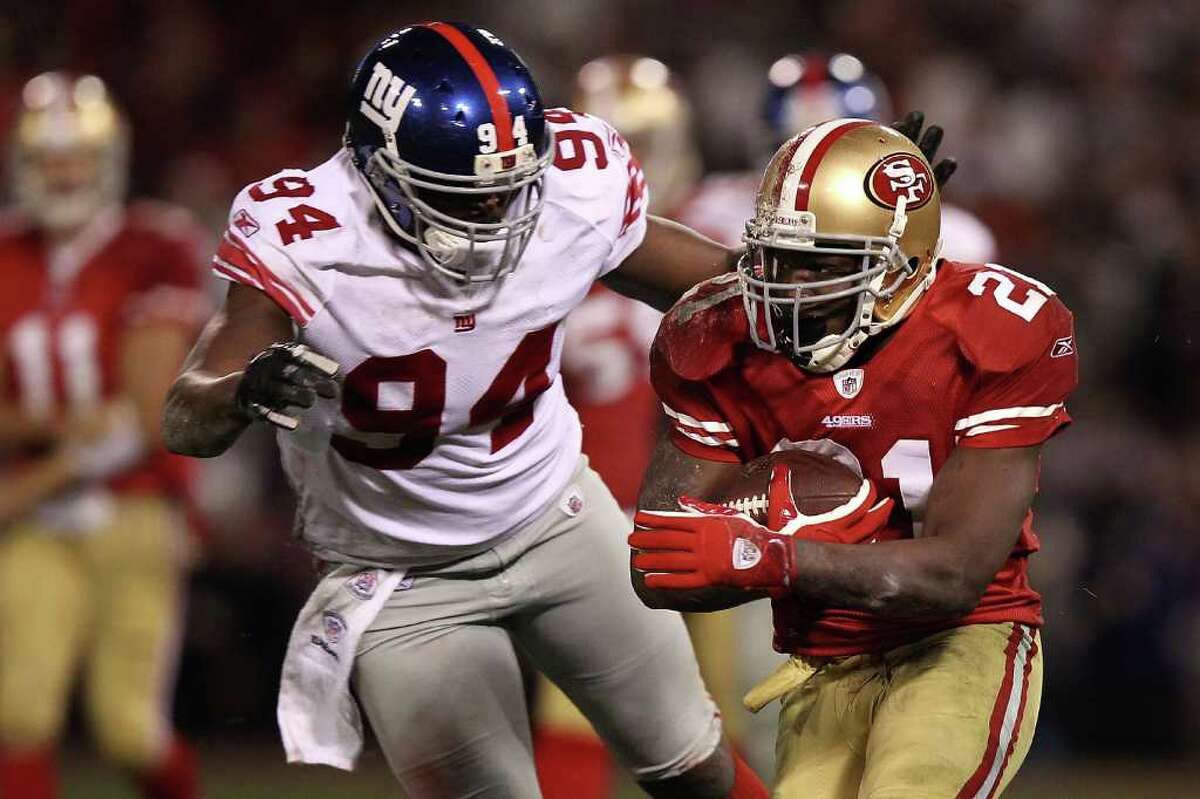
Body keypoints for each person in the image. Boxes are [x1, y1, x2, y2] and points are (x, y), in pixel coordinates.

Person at [163, 23, 767, 799]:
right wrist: (243, 391)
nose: (495, 212)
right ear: (377, 171)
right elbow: (186, 414)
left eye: (509, 186)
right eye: (463, 193)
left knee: (697, 767)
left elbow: (710, 287)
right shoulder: (307, 235)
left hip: (556, 516)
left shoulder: (569, 186)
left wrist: (817, 270)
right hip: (398, 576)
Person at [630, 119, 1077, 797]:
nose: (791, 285)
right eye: (778, 257)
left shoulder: (993, 329)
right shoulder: (721, 337)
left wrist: (777, 554)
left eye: (824, 262)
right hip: (822, 655)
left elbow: (956, 573)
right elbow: (659, 561)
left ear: (903, 263)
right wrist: (738, 550)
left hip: (961, 639)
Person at [0, 72, 205, 799]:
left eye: (76, 156)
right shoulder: (6, 251)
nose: (62, 173)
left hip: (135, 504)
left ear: (107, 159)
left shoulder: (155, 245)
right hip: (36, 522)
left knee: (128, 728)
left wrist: (33, 476)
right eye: (48, 158)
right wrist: (53, 428)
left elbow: (146, 416)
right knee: (17, 713)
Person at [676, 51, 996, 264]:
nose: (817, 169)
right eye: (800, 150)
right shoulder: (711, 210)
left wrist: (908, 242)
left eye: (836, 149)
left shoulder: (954, 236)